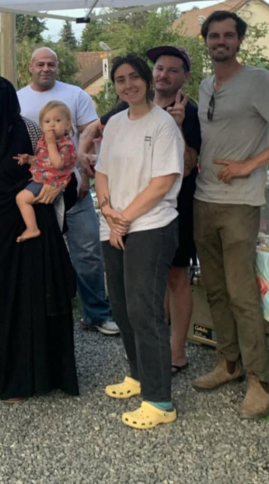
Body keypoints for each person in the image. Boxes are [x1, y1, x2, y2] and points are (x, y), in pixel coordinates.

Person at [191, 11, 269, 419]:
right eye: (213, 35)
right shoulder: (206, 85)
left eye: (228, 35)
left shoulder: (259, 80)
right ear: (205, 41)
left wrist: (250, 164)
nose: (220, 41)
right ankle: (229, 363)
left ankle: (261, 380)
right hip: (203, 200)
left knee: (242, 294)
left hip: (241, 202)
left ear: (240, 40)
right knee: (215, 288)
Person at [0, 69, 79, 402]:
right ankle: (0, 376)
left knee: (35, 299)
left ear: (6, 93)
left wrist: (58, 185)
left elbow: (63, 167)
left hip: (32, 225)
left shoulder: (29, 127)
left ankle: (41, 376)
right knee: (1, 301)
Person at [81, 46, 201, 373]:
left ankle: (171, 359)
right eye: (160, 68)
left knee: (169, 282)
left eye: (171, 70)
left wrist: (123, 218)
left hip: (166, 211)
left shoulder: (184, 114)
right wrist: (106, 207)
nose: (163, 75)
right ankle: (144, 365)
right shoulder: (119, 115)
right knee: (132, 301)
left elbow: (184, 167)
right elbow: (98, 150)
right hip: (119, 219)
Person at [94, 55, 184, 430]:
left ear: (147, 80)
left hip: (151, 225)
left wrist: (124, 219)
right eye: (119, 79)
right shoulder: (114, 123)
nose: (127, 84)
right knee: (122, 306)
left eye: (133, 77)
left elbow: (162, 182)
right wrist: (107, 209)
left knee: (145, 310)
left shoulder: (163, 125)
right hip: (114, 224)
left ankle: (160, 399)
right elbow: (101, 172)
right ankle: (138, 376)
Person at [16, 47, 119, 336]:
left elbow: (92, 135)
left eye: (51, 64)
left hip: (73, 186)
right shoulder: (18, 99)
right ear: (30, 67)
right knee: (38, 252)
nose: (46, 68)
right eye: (40, 64)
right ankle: (39, 316)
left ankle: (96, 313)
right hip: (37, 186)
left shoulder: (76, 95)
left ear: (57, 67)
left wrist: (85, 174)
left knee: (87, 250)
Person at [14, 100, 76, 242]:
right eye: (47, 121)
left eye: (58, 120)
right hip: (44, 178)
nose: (52, 125)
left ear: (67, 124)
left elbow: (57, 163)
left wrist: (51, 143)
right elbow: (44, 160)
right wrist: (29, 159)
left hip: (51, 182)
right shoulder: (43, 140)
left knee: (21, 199)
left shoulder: (65, 144)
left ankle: (32, 228)